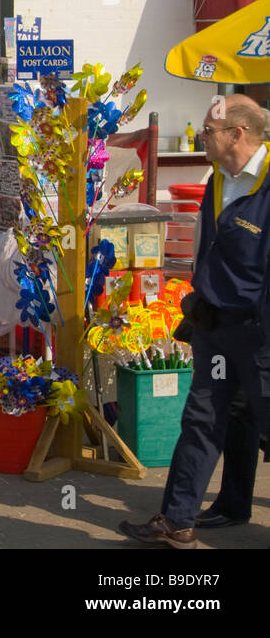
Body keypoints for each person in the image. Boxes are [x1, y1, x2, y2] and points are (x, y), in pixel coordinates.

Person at [119, 95, 270, 548]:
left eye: (209, 131)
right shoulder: (219, 177)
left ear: (237, 135)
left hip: (260, 331)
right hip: (216, 326)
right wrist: (199, 298)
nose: (202, 137)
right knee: (203, 417)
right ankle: (179, 519)